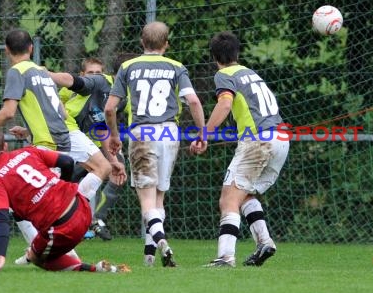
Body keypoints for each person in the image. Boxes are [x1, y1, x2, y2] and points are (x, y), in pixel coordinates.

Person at [0, 29, 114, 257]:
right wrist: (30, 129)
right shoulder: (41, 71)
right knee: (36, 195)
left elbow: (9, 111)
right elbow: (57, 111)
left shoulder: (17, 72)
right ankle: (35, 246)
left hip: (53, 139)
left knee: (39, 193)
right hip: (59, 137)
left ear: (6, 50)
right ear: (31, 48)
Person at [104, 21, 205, 267]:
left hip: (142, 133)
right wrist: (202, 133)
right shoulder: (176, 67)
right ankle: (149, 259)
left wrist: (114, 135)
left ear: (142, 42)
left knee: (147, 201)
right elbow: (192, 101)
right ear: (166, 44)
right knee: (159, 199)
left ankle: (162, 243)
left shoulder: (128, 66)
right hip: (169, 133)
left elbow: (110, 108)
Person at [190, 31, 290, 267]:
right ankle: (264, 242)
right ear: (237, 53)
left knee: (228, 199)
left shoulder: (224, 74)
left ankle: (225, 257)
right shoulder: (251, 73)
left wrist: (204, 134)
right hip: (281, 139)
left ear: (214, 56)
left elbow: (225, 103)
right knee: (245, 194)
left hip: (259, 141)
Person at [0, 128, 129, 273]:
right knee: (28, 233)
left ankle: (95, 270)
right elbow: (67, 162)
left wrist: (0, 257)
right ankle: (38, 249)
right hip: (82, 207)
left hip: (62, 228)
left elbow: (1, 218)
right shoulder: (28, 152)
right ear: (5, 145)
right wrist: (64, 186)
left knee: (37, 258)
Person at [59, 57, 130, 240]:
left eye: (98, 73)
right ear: (83, 75)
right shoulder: (75, 91)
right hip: (72, 138)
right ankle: (70, 219)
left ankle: (93, 218)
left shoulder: (118, 94)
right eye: (91, 73)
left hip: (93, 140)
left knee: (113, 171)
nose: (95, 77)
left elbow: (100, 123)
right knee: (58, 183)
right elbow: (55, 110)